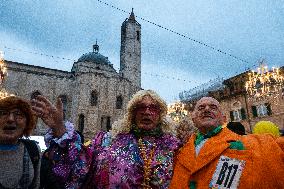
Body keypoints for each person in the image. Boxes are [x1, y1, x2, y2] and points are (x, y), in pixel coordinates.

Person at [31, 90, 180, 188]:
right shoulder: (108, 141)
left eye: (153, 108)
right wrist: (59, 128)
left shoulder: (174, 146)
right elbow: (79, 165)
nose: (147, 112)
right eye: (140, 107)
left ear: (160, 114)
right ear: (132, 113)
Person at [170, 97, 284, 189]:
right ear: (193, 118)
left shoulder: (253, 143)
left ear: (224, 118)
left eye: (213, 107)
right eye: (201, 107)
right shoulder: (178, 153)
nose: (206, 109)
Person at [0, 96, 40, 189]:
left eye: (18, 114)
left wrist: (59, 130)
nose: (10, 119)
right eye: (3, 113)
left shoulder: (33, 150)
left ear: (27, 123)